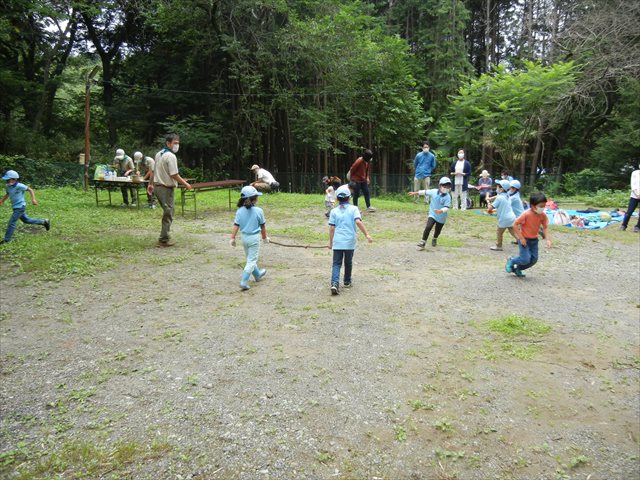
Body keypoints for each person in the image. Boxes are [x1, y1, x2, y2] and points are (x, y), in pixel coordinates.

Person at [147, 134, 193, 247]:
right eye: (175, 143)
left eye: (178, 143)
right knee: (169, 213)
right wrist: (186, 183)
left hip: (158, 187)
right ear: (168, 143)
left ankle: (164, 237)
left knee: (168, 212)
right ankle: (163, 239)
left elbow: (154, 170)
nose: (177, 145)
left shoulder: (159, 154)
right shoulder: (171, 156)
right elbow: (174, 174)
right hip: (165, 188)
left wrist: (151, 183)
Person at [328, 184, 373, 295]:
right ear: (350, 197)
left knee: (336, 263)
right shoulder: (354, 209)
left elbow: (332, 228)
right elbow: (358, 221)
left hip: (338, 242)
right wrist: (366, 234)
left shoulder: (333, 211)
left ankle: (334, 283)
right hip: (349, 241)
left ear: (337, 198)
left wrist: (330, 242)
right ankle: (347, 281)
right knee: (348, 262)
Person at [230, 186, 269, 290]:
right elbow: (263, 226)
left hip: (244, 238)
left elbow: (236, 225)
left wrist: (232, 238)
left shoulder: (239, 211)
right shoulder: (259, 211)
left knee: (250, 258)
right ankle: (243, 281)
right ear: (254, 199)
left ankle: (257, 274)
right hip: (254, 239)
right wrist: (265, 238)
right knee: (251, 260)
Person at [506, 193, 552, 277]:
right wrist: (521, 238)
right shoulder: (526, 214)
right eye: (541, 206)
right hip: (524, 240)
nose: (543, 208)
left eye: (544, 206)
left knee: (533, 260)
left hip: (534, 241)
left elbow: (545, 227)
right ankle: (511, 260)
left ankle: (518, 269)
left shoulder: (542, 215)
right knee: (525, 259)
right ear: (533, 206)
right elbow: (514, 225)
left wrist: (548, 239)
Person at [0, 170, 49, 244]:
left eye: (8, 179)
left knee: (11, 222)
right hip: (15, 207)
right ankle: (44, 222)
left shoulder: (19, 185)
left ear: (14, 179)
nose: (7, 181)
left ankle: (7, 240)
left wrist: (33, 199)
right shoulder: (8, 186)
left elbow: (30, 190)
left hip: (20, 207)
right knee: (26, 220)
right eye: (6, 179)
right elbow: (7, 194)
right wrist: (2, 201)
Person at [408, 176, 452, 249]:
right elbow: (424, 192)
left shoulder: (448, 197)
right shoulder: (434, 191)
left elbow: (447, 207)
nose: (446, 188)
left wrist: (441, 211)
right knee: (428, 227)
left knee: (437, 231)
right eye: (444, 185)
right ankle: (423, 241)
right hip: (433, 214)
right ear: (440, 185)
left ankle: (435, 238)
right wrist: (415, 193)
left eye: (447, 186)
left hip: (442, 217)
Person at [487, 179, 516, 251]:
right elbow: (497, 197)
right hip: (512, 217)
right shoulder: (507, 195)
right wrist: (490, 199)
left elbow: (490, 209)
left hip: (504, 218)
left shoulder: (500, 198)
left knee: (499, 232)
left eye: (498, 187)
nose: (497, 188)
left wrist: (488, 203)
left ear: (502, 189)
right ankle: (523, 242)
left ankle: (499, 246)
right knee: (513, 231)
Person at [620, 163, 640, 232]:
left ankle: (637, 227)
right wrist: (637, 194)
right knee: (629, 212)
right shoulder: (635, 173)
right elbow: (633, 185)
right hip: (634, 196)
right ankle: (623, 225)